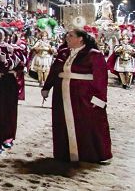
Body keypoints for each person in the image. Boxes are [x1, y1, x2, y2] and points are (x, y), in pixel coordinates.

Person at [42, 29, 112, 164]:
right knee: (62, 122)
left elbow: (101, 78)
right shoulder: (63, 53)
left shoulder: (94, 55)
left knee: (86, 123)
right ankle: (65, 154)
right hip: (61, 95)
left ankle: (90, 155)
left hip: (83, 97)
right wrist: (47, 87)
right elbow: (54, 70)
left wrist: (99, 99)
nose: (67, 37)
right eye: (67, 35)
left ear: (81, 39)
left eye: (71, 36)